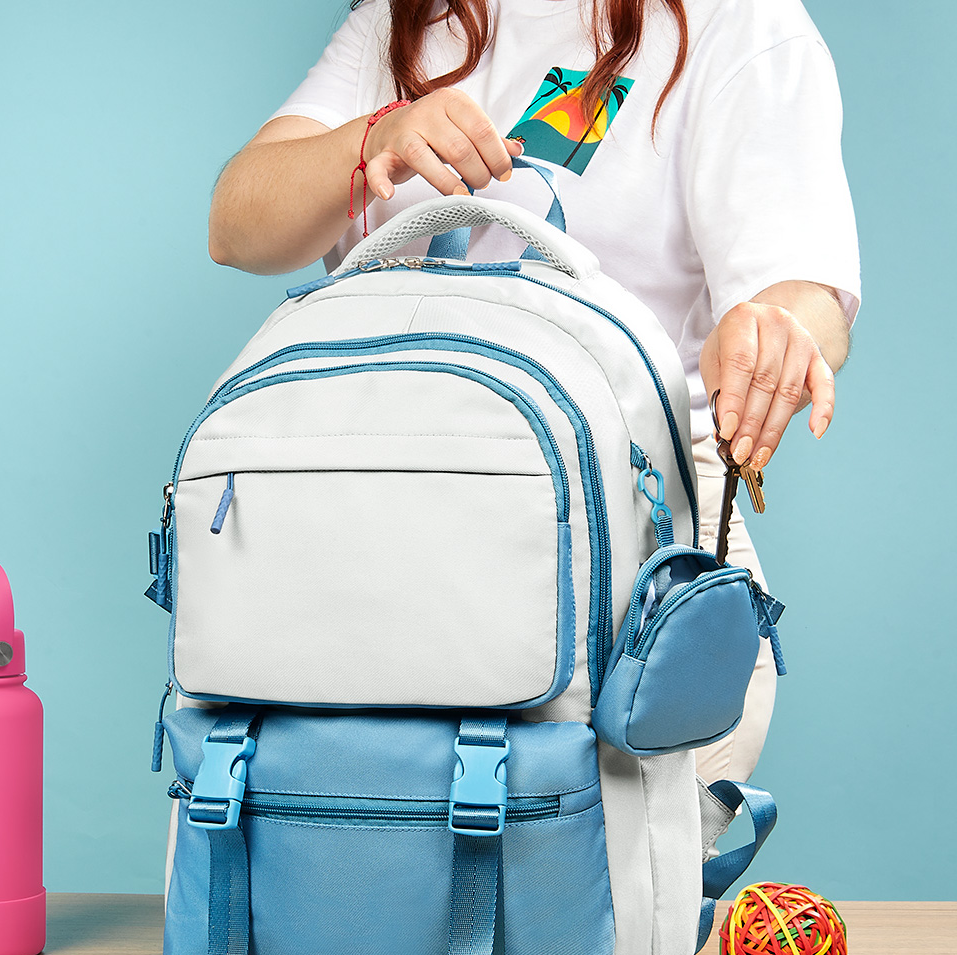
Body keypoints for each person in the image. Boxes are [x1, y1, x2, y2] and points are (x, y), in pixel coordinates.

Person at [206, 0, 860, 783]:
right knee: (339, 826)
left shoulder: (735, 22)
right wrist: (373, 138)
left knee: (585, 844)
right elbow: (235, 227)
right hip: (365, 527)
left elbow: (800, 291)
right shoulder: (400, 21)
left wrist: (775, 329)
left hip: (623, 537)